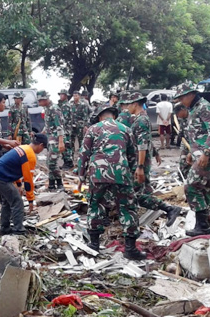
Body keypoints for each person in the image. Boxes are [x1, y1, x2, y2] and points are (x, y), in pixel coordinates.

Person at [78, 105, 145, 259]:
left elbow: (83, 155)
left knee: (95, 205)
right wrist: (132, 172)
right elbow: (132, 155)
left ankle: (94, 245)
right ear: (113, 116)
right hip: (121, 173)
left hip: (97, 173)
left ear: (100, 116)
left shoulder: (93, 129)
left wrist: (81, 177)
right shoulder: (126, 129)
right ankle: (130, 249)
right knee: (127, 208)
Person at [125, 94, 182, 229]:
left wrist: (139, 166)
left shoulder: (141, 121)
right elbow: (147, 140)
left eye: (128, 104)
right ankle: (149, 216)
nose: (127, 107)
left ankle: (169, 209)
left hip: (139, 162)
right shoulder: (140, 119)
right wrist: (155, 152)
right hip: (140, 161)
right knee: (145, 189)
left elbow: (143, 145)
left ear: (135, 104)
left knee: (136, 194)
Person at [175, 87, 210, 237]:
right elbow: (196, 133)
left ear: (190, 95)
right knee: (203, 187)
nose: (180, 102)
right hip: (199, 153)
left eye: (182, 98)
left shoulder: (204, 107)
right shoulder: (194, 108)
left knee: (191, 186)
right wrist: (191, 152)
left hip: (209, 154)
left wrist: (206, 153)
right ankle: (204, 224)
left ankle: (202, 225)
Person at [0, 134, 47, 235]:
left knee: (7, 201)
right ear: (41, 145)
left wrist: (19, 185)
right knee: (17, 202)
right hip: (1, 178)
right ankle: (18, 230)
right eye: (43, 148)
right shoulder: (30, 155)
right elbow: (28, 180)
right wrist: (30, 200)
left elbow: (15, 167)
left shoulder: (23, 147)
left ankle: (5, 228)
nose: (42, 150)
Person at [37, 91, 65, 190]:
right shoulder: (47, 109)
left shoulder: (54, 109)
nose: (39, 103)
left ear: (45, 99)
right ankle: (52, 184)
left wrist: (61, 142)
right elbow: (48, 124)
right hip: (50, 139)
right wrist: (42, 133)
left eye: (40, 101)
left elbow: (59, 126)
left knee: (53, 162)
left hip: (56, 139)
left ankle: (60, 183)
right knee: (49, 162)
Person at [69, 89, 91, 162]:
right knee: (71, 142)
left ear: (79, 96)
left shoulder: (83, 104)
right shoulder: (70, 104)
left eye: (76, 95)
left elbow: (85, 116)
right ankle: (71, 157)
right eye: (74, 95)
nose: (75, 97)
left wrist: (85, 126)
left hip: (80, 125)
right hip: (72, 125)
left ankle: (81, 158)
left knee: (81, 141)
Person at [59, 90, 73, 169]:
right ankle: (66, 162)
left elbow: (63, 119)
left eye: (62, 95)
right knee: (66, 146)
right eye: (60, 95)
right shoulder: (65, 105)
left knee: (66, 146)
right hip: (66, 129)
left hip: (65, 130)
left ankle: (68, 163)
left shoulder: (65, 106)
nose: (61, 96)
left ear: (66, 96)